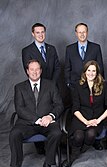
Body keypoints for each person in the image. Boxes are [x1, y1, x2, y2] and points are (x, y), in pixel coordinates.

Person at [9, 59, 64, 167]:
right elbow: (20, 109)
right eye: (32, 69)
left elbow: (59, 105)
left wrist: (50, 116)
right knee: (14, 134)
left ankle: (48, 164)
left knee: (56, 132)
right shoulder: (19, 87)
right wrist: (37, 119)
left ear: (41, 70)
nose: (35, 72)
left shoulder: (50, 85)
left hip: (47, 122)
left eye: (37, 69)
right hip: (27, 123)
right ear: (27, 71)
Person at [62, 60, 107, 167]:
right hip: (81, 118)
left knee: (91, 134)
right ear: (84, 72)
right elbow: (75, 108)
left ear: (97, 72)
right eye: (89, 70)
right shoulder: (78, 86)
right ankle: (74, 154)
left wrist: (98, 120)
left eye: (94, 71)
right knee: (78, 135)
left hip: (97, 119)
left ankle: (75, 154)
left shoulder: (104, 85)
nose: (91, 73)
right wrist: (86, 121)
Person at [22, 23, 61, 154]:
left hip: (52, 87)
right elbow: (31, 72)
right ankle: (40, 146)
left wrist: (52, 85)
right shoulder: (27, 51)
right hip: (38, 88)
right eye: (37, 32)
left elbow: (57, 67)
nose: (40, 34)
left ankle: (53, 144)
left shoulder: (52, 48)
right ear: (33, 34)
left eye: (42, 32)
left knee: (53, 113)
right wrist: (43, 85)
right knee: (39, 112)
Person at [64, 22, 104, 89]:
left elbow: (100, 67)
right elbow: (67, 68)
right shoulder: (69, 49)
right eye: (80, 32)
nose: (82, 34)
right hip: (74, 85)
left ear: (87, 32)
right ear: (76, 33)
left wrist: (99, 83)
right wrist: (68, 83)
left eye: (84, 32)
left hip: (92, 84)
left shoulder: (96, 48)